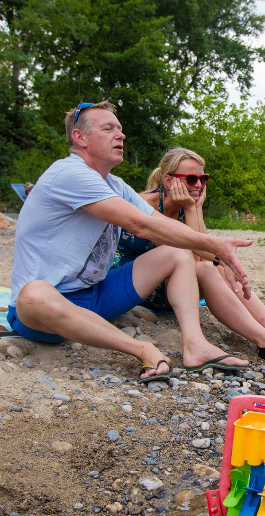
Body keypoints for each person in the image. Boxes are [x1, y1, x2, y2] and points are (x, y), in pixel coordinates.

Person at [7, 101, 252, 382]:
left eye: (120, 129)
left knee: (176, 252)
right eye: (108, 128)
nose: (120, 135)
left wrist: (218, 254)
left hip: (96, 297)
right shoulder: (68, 174)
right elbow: (141, 225)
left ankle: (195, 345)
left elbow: (163, 227)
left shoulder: (115, 185)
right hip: (44, 312)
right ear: (80, 138)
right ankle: (142, 349)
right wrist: (214, 246)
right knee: (33, 293)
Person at [113, 147, 265, 366]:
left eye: (203, 179)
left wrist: (195, 209)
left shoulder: (188, 206)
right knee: (209, 268)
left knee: (220, 267)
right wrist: (192, 209)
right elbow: (194, 264)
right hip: (139, 286)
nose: (198, 185)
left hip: (173, 287)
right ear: (168, 180)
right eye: (191, 178)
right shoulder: (142, 205)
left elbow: (203, 259)